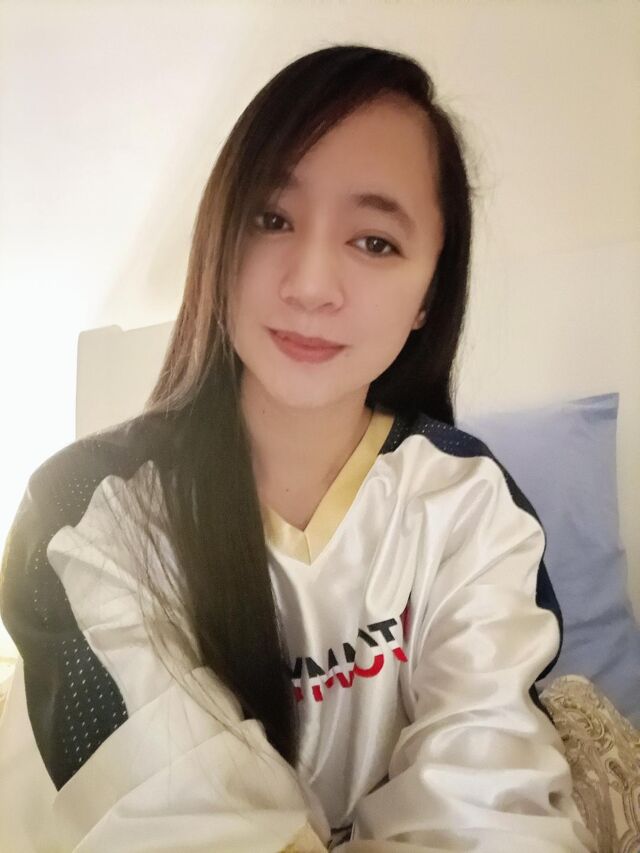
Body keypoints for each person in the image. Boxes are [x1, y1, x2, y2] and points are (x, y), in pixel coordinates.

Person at [0, 43, 595, 852]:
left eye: (375, 242)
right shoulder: (86, 516)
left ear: (430, 293)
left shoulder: (469, 505)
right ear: (219, 240)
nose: (311, 284)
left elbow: (487, 808)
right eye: (272, 219)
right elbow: (170, 815)